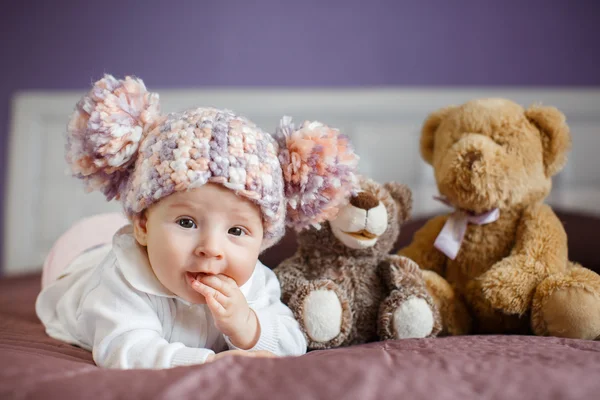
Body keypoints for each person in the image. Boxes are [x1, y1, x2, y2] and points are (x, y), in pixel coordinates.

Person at [35, 74, 359, 369]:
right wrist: (207, 361)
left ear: (262, 241)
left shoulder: (253, 282)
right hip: (78, 260)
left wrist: (248, 327)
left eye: (236, 231)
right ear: (144, 226)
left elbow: (293, 341)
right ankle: (93, 244)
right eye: (187, 222)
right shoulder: (122, 279)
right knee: (75, 263)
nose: (211, 249)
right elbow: (125, 349)